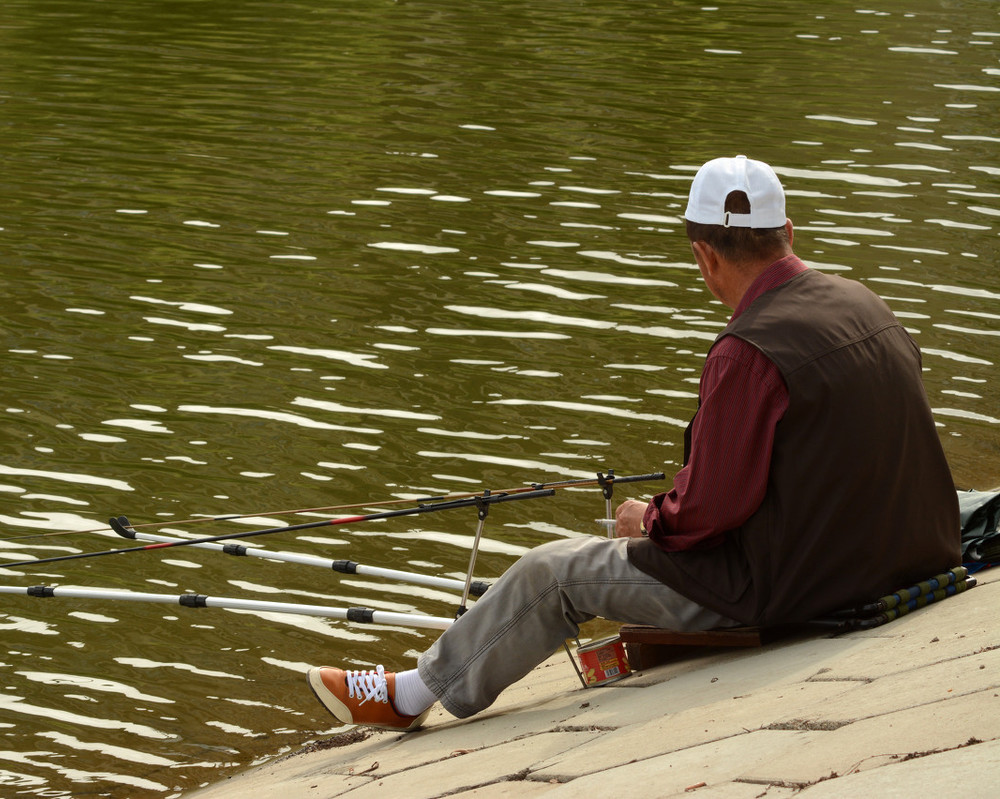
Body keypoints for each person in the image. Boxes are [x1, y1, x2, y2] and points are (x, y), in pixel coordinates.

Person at [307, 154, 962, 730]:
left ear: (704, 255)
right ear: (788, 232)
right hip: (909, 556)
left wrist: (645, 518)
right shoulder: (866, 303)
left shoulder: (746, 350)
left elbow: (706, 514)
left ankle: (415, 692)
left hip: (794, 588)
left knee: (552, 573)